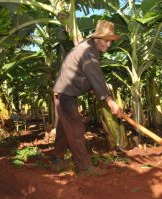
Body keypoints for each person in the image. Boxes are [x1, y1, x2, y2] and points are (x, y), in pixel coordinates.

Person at [52, 20, 122, 173]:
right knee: (76, 129)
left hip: (64, 92)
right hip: (65, 94)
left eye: (110, 42)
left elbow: (86, 75)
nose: (108, 45)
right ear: (97, 38)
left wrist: (91, 88)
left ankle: (57, 159)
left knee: (65, 128)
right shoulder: (88, 52)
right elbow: (96, 76)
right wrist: (110, 101)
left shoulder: (89, 48)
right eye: (105, 41)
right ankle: (85, 167)